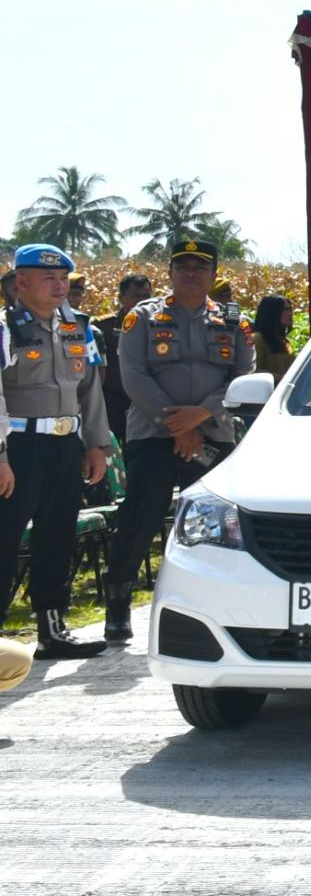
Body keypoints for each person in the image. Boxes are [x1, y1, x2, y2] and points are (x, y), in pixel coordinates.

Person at [108, 237, 257, 645]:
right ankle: (118, 605)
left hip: (212, 433)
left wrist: (201, 415)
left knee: (222, 524)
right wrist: (178, 423)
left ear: (212, 275)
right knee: (139, 517)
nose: (191, 273)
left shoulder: (232, 322)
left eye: (200, 267)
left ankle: (222, 601)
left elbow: (242, 378)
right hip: (154, 434)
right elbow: (133, 375)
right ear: (170, 273)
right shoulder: (143, 318)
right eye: (183, 266)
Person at [0, 244, 112, 658]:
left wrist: (96, 445)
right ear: (21, 282)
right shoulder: (5, 328)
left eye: (63, 278)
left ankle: (52, 629)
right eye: (48, 278)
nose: (59, 285)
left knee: (57, 537)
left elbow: (90, 391)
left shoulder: (77, 327)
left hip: (65, 444)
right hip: (18, 447)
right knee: (5, 540)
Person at [97, 274, 151, 443]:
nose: (142, 301)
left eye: (146, 297)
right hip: (111, 398)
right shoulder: (103, 326)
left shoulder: (160, 327)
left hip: (143, 401)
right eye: (136, 296)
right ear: (121, 298)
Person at [251, 293, 295, 378]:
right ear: (272, 312)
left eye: (290, 309)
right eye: (285, 309)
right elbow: (252, 371)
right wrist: (282, 380)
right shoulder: (257, 339)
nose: (290, 313)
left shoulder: (285, 343)